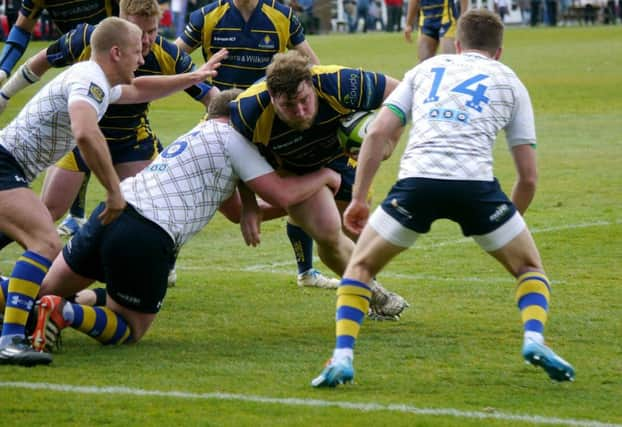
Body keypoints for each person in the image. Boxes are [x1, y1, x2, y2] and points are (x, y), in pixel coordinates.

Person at [311, 8, 575, 388]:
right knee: (529, 268)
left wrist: (359, 199)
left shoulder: (425, 70)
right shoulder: (510, 80)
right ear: (499, 52)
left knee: (361, 268)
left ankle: (342, 358)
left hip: (417, 183)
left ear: (458, 44)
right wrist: (503, 222)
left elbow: (377, 134)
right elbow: (528, 177)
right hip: (477, 189)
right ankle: (534, 339)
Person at [28, 89, 341, 361]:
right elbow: (283, 193)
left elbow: (235, 213)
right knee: (131, 328)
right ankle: (64, 311)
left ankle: (34, 303)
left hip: (112, 209)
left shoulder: (197, 134)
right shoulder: (236, 140)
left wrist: (277, 209)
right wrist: (326, 177)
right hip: (147, 232)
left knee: (38, 288)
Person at [0, 16, 225, 366]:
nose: (141, 58)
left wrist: (192, 78)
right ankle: (11, 339)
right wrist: (113, 192)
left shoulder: (100, 81)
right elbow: (86, 132)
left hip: (10, 166)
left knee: (39, 243)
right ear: (116, 52)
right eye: (137, 52)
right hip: (4, 165)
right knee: (44, 241)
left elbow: (139, 90)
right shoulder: (89, 78)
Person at [229, 50, 410, 320]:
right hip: (292, 169)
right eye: (289, 106)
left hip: (338, 155)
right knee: (327, 232)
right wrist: (250, 206)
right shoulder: (249, 111)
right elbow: (238, 156)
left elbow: (403, 94)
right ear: (272, 98)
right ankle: (375, 294)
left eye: (304, 100)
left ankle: (357, 279)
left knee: (355, 231)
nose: (300, 111)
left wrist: (388, 144)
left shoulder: (339, 83)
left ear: (312, 85)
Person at [175, 0, 337, 290]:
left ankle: (306, 272)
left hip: (271, 128)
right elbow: (171, 59)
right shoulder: (206, 17)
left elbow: (315, 68)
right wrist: (205, 92)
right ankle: (167, 257)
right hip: (221, 128)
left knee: (302, 184)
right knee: (207, 200)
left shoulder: (283, 16)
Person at [0, 0, 120, 86]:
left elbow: (132, 13)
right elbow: (22, 28)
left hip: (119, 61)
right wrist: (3, 69)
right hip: (80, 66)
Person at [403, 0, 469, 63]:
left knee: (449, 59)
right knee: (424, 62)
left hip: (447, 21)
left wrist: (463, 18)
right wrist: (408, 24)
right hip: (426, 22)